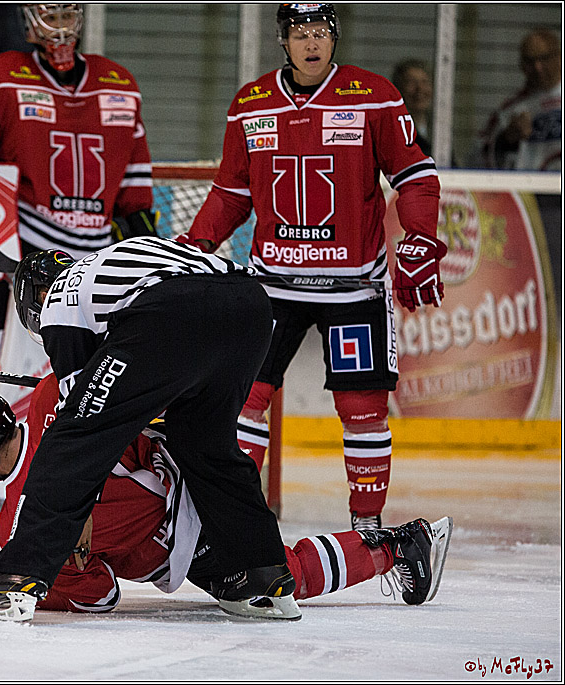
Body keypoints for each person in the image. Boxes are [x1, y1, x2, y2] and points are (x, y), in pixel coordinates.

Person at [177, 4, 445, 537]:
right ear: (283, 41)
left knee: (363, 408)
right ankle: (236, 521)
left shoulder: (374, 95)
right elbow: (232, 190)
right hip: (271, 287)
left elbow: (413, 174)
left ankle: (367, 526)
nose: (311, 42)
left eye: (321, 31)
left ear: (334, 37)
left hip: (354, 286)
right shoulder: (251, 102)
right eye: (300, 33)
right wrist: (193, 244)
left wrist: (419, 237)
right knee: (242, 400)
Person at [0, 236, 299, 622]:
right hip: (250, 307)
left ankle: (19, 576)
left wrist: (77, 512)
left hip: (173, 310)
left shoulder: (60, 303)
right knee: (204, 443)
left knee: (70, 441)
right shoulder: (105, 275)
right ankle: (263, 575)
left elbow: (84, 428)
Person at [0, 379, 453, 618]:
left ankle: (399, 548)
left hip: (179, 532)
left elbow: (101, 594)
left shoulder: (18, 528)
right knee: (273, 573)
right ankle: (394, 547)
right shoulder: (54, 392)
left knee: (276, 580)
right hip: (198, 459)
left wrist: (7, 570)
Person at [0, 3, 157, 517]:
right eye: (49, 10)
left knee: (100, 371)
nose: (60, 22)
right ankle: (1, 486)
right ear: (28, 17)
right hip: (32, 252)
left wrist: (143, 242)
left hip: (101, 255)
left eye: (68, 10)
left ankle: (95, 470)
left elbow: (134, 186)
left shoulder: (118, 82)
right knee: (22, 365)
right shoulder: (0, 75)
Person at [477, 28, 562, 171]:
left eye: (544, 58)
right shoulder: (509, 111)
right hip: (532, 189)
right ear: (521, 65)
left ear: (559, 57)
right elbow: (478, 156)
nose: (537, 67)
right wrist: (506, 139)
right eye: (530, 61)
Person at [392, 59, 434, 158]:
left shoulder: (438, 127)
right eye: (411, 82)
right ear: (398, 88)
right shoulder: (394, 129)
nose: (420, 89)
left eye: (424, 82)